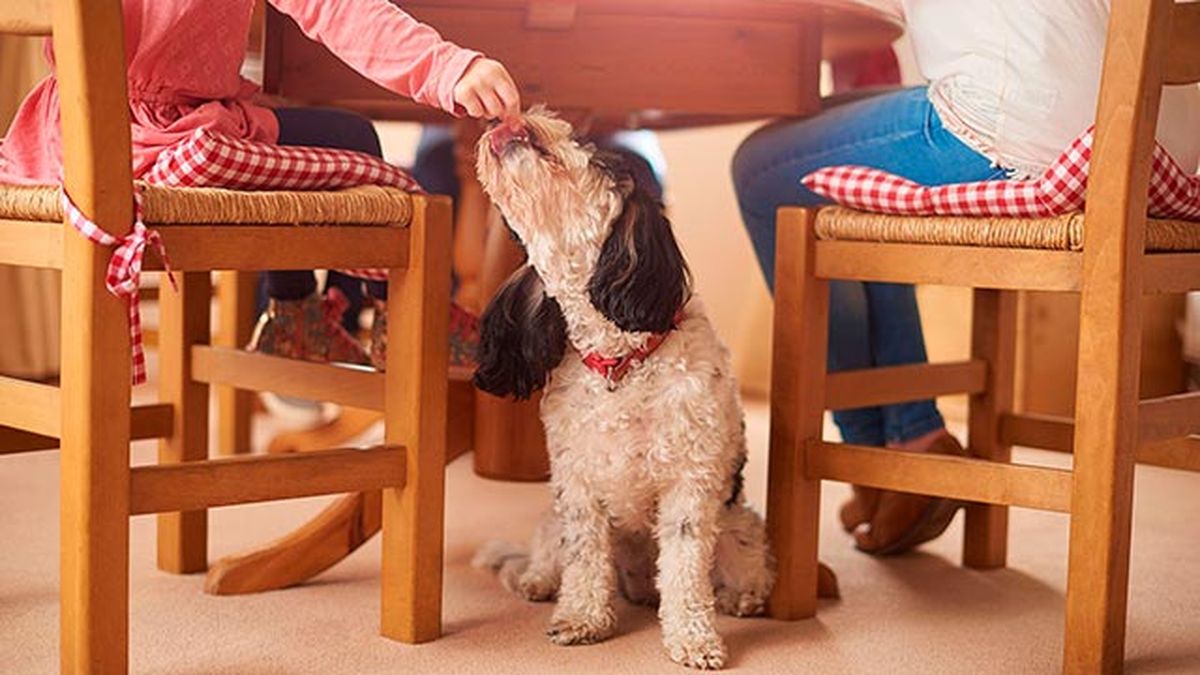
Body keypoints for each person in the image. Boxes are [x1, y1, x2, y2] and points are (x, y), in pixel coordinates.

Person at [731, 0, 1200, 555]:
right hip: (1158, 139)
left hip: (1026, 127)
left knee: (759, 167)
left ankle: (876, 461)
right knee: (852, 156)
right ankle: (909, 440)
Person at [0, 0, 521, 369]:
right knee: (356, 146)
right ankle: (395, 323)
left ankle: (295, 311)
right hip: (160, 143)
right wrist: (449, 68)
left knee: (323, 132)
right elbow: (343, 11)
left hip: (62, 135)